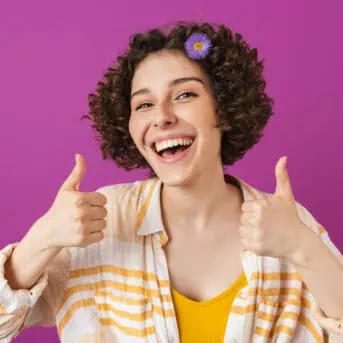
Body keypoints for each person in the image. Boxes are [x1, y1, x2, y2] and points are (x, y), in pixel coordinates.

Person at [1, 21, 343, 343]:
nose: (162, 117)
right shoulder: (99, 223)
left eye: (185, 95)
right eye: (144, 104)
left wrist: (302, 248)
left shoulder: (287, 224)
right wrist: (43, 239)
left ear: (224, 109)